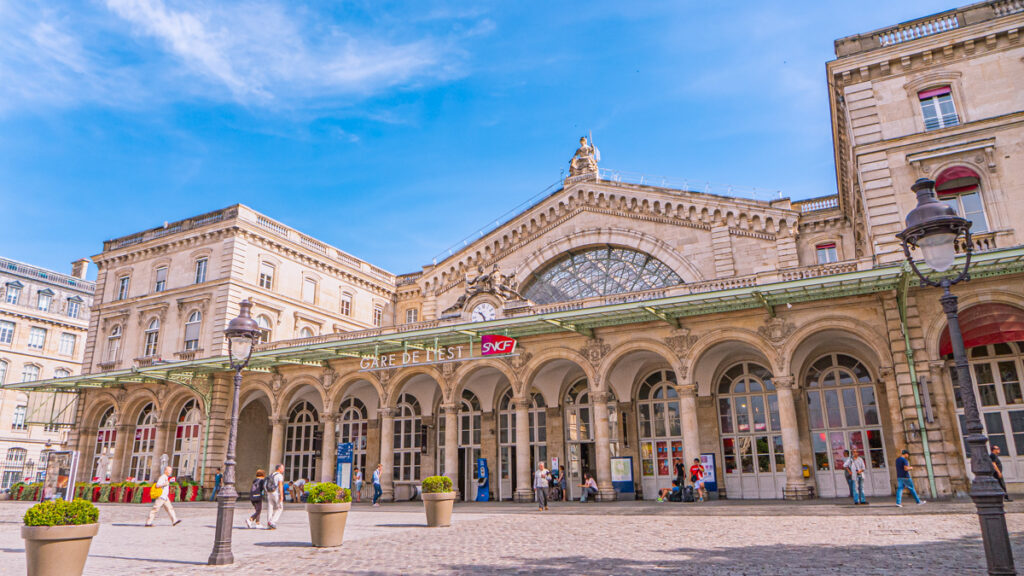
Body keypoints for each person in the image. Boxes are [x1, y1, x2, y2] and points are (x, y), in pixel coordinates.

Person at [266, 464, 285, 529]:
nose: (283, 469)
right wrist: (282, 495)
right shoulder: (279, 476)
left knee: (270, 507)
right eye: (282, 468)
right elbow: (280, 486)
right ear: (279, 468)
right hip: (275, 493)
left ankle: (269, 523)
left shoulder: (271, 474)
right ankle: (272, 522)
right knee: (280, 507)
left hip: (269, 492)